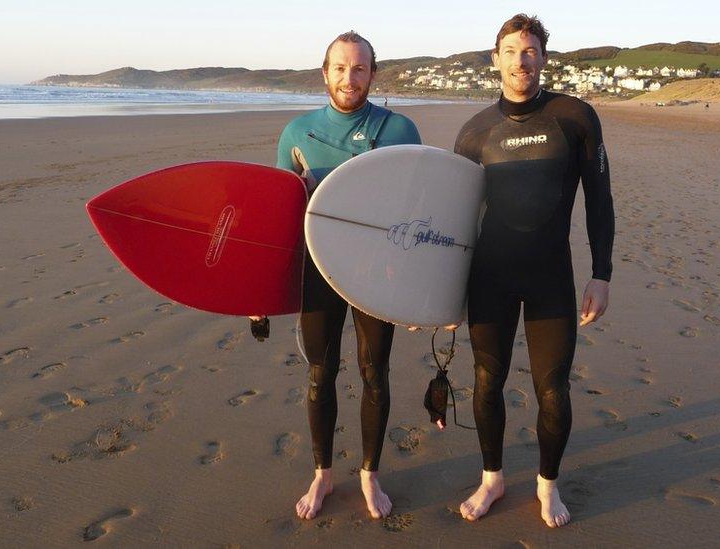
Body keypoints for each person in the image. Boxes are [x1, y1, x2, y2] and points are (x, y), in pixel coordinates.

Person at [452, 14, 614, 528]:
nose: (520, 61)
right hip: (489, 278)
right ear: (494, 58)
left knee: (552, 388)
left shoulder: (575, 117)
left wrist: (602, 273)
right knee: (486, 381)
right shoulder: (474, 132)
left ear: (543, 57)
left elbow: (600, 200)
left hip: (551, 277)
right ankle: (492, 478)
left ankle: (548, 486)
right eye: (511, 51)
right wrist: (439, 292)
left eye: (530, 51)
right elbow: (453, 220)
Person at [260, 31, 421, 521]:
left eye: (359, 69)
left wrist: (419, 288)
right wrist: (261, 290)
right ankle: (324, 474)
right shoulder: (296, 133)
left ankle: (370, 475)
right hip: (318, 271)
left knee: (375, 372)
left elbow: (421, 211)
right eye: (340, 68)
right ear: (324, 72)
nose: (349, 78)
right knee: (320, 372)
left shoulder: (401, 131)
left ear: (373, 73)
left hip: (378, 271)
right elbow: (279, 219)